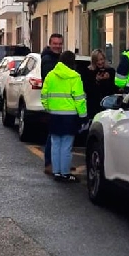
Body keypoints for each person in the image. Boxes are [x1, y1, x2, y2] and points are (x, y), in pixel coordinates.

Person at [41, 51, 87, 183]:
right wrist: (83, 116)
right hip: (70, 116)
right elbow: (79, 99)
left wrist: (49, 108)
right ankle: (65, 173)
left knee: (55, 144)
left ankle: (57, 172)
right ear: (72, 62)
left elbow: (44, 95)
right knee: (66, 146)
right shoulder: (75, 77)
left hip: (54, 115)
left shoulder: (51, 75)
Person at [40, 33, 63, 175]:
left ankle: (59, 163)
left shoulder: (56, 58)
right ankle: (49, 163)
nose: (57, 46)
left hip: (60, 102)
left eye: (60, 44)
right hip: (54, 101)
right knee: (54, 134)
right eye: (55, 43)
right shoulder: (48, 60)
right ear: (50, 44)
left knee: (58, 134)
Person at [81, 49, 117, 121]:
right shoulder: (88, 72)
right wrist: (96, 80)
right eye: (97, 60)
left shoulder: (111, 71)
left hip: (108, 106)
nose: (100, 62)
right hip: (93, 107)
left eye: (101, 59)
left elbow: (114, 90)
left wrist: (108, 80)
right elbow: (87, 89)